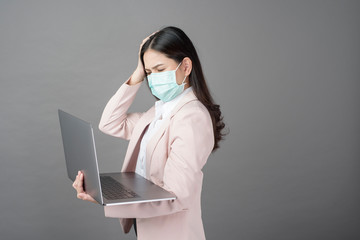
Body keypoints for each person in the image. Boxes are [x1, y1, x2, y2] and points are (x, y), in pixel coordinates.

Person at [72, 26, 226, 240]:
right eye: (149, 72)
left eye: (160, 69)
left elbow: (174, 196)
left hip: (171, 233)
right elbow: (109, 123)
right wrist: (137, 72)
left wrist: (104, 197)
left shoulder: (192, 117)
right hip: (145, 225)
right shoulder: (159, 110)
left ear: (186, 66)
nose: (152, 79)